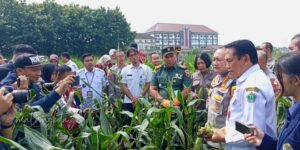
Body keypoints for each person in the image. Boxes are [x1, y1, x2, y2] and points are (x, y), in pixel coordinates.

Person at [209, 40, 277, 150]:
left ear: (245, 59)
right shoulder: (247, 80)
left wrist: (224, 136)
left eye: (229, 61)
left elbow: (252, 132)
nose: (227, 66)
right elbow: (243, 122)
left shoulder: (252, 87)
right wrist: (228, 129)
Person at [244, 51, 300, 150]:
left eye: (279, 77)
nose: (275, 82)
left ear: (295, 80)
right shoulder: (294, 112)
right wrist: (264, 141)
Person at [1, 53, 73, 113]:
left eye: (40, 69)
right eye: (35, 70)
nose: (39, 73)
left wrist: (55, 85)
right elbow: (29, 113)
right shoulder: (6, 88)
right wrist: (58, 91)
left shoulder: (31, 81)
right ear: (20, 71)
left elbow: (40, 95)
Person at [206, 48, 235, 148]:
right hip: (211, 137)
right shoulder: (216, 78)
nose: (215, 63)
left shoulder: (234, 83)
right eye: (214, 60)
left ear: (227, 61)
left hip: (224, 142)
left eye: (218, 60)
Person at [121, 47, 152, 112]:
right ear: (128, 58)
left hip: (143, 102)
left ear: (138, 55)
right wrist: (132, 98)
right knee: (129, 122)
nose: (133, 57)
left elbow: (148, 84)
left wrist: (139, 97)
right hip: (129, 102)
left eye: (135, 54)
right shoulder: (125, 70)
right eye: (131, 55)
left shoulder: (147, 69)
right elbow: (123, 86)